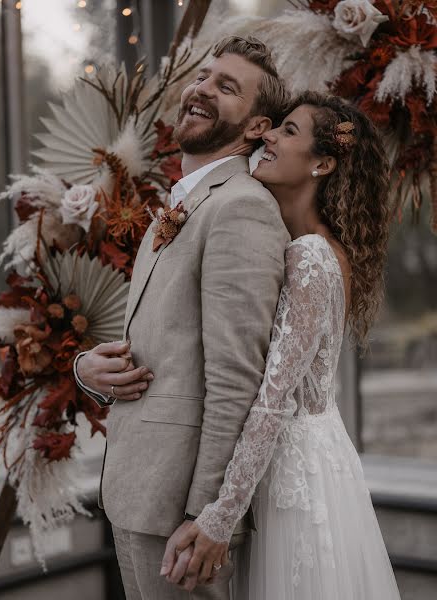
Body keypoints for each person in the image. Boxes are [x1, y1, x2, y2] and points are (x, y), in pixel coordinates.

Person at [159, 92, 402, 599]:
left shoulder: (312, 255)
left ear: (322, 163)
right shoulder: (309, 247)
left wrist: (219, 519)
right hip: (301, 460)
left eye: (288, 131)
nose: (267, 135)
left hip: (297, 477)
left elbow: (272, 402)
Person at [73, 37, 290, 599]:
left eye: (227, 87)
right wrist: (87, 371)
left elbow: (239, 380)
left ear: (256, 127)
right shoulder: (183, 204)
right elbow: (159, 350)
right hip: (137, 491)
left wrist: (210, 515)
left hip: (180, 518)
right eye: (203, 77)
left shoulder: (239, 207)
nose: (202, 89)